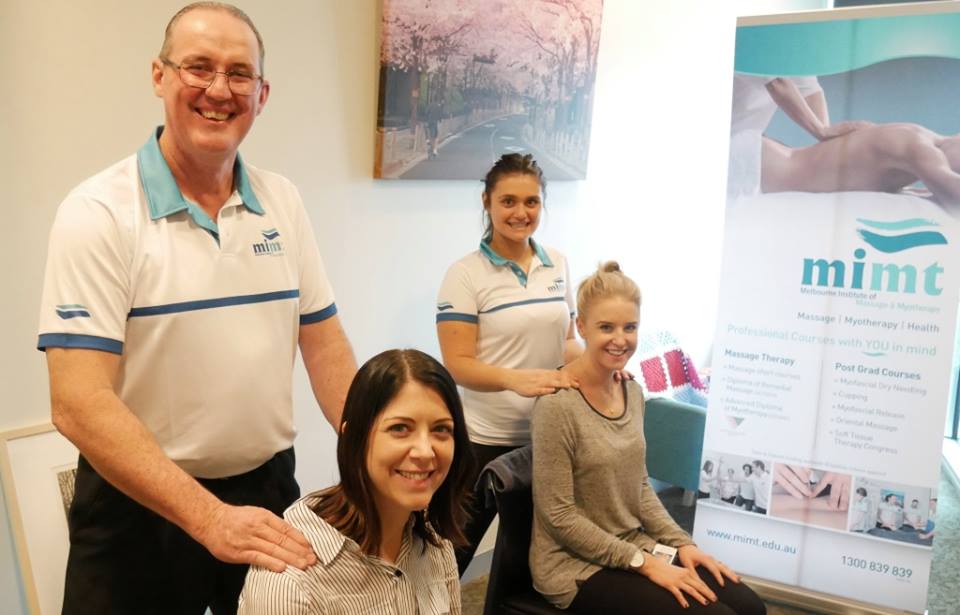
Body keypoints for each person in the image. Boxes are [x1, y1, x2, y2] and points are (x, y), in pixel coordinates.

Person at [36, 4, 357, 613]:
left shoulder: (283, 201)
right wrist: (208, 518)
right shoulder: (98, 212)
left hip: (266, 490)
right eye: (198, 67)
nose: (218, 89)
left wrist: (375, 456)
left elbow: (325, 345)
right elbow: (77, 402)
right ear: (159, 76)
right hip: (138, 507)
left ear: (262, 94)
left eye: (239, 73)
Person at [530, 262, 765, 614]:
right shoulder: (556, 406)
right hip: (573, 565)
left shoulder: (632, 391)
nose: (620, 339)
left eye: (630, 327)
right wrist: (644, 563)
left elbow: (639, 486)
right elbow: (559, 516)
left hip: (633, 545)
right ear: (581, 327)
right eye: (606, 327)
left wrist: (681, 544)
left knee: (749, 606)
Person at [238, 349, 472, 614]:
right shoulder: (290, 584)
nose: (425, 451)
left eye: (441, 429)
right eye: (400, 428)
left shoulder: (433, 539)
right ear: (354, 439)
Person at [436, 153, 581, 574]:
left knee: (535, 562)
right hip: (484, 441)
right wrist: (515, 380)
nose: (521, 213)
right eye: (508, 201)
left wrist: (601, 361)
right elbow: (458, 364)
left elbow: (567, 343)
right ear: (487, 202)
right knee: (448, 557)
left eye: (531, 202)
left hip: (547, 436)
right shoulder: (465, 274)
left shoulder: (558, 263)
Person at [761, 123, 960, 209]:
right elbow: (954, 197)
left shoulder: (917, 137)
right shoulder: (920, 147)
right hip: (766, 165)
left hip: (768, 160)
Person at [728, 74, 866, 198]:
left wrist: (827, 137)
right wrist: (821, 131)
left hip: (744, 138)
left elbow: (809, 88)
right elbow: (777, 83)